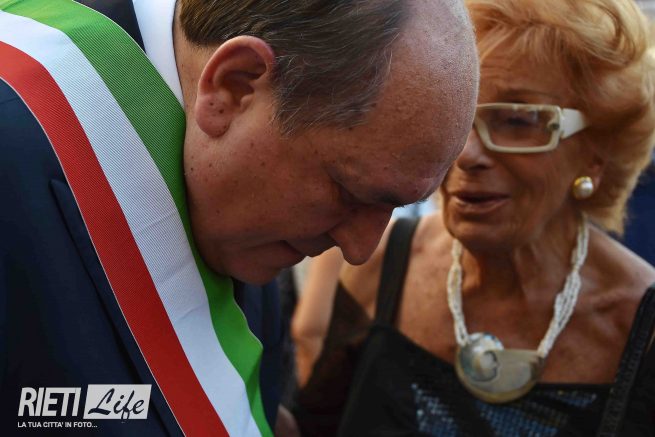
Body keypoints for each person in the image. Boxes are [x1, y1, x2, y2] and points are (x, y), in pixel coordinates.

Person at [0, 0, 478, 435]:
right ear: (234, 86)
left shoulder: (250, 212)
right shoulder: (18, 138)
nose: (359, 250)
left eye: (393, 207)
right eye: (348, 191)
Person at [293, 0, 655, 435]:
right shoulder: (382, 264)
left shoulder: (639, 328)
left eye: (517, 120)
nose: (466, 154)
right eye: (457, 115)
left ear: (596, 155)